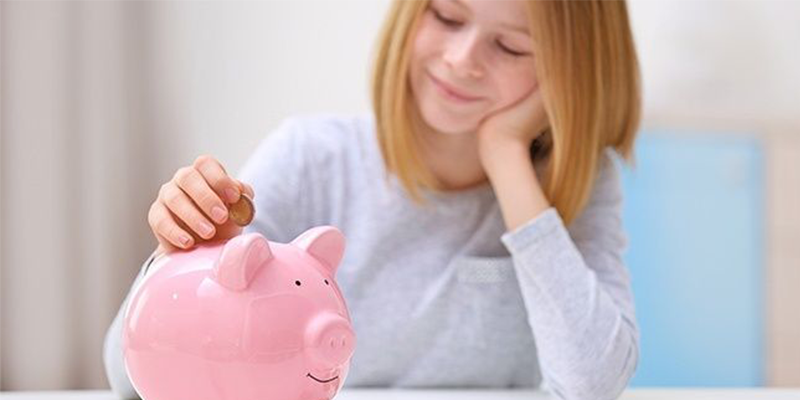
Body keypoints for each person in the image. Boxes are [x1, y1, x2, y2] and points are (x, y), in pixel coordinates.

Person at [104, 1, 642, 399]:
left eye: (511, 46)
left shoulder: (576, 186)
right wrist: (180, 260)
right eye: (448, 17)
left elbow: (592, 384)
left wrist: (507, 157)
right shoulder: (311, 158)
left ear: (567, 73)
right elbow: (126, 377)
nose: (461, 60)